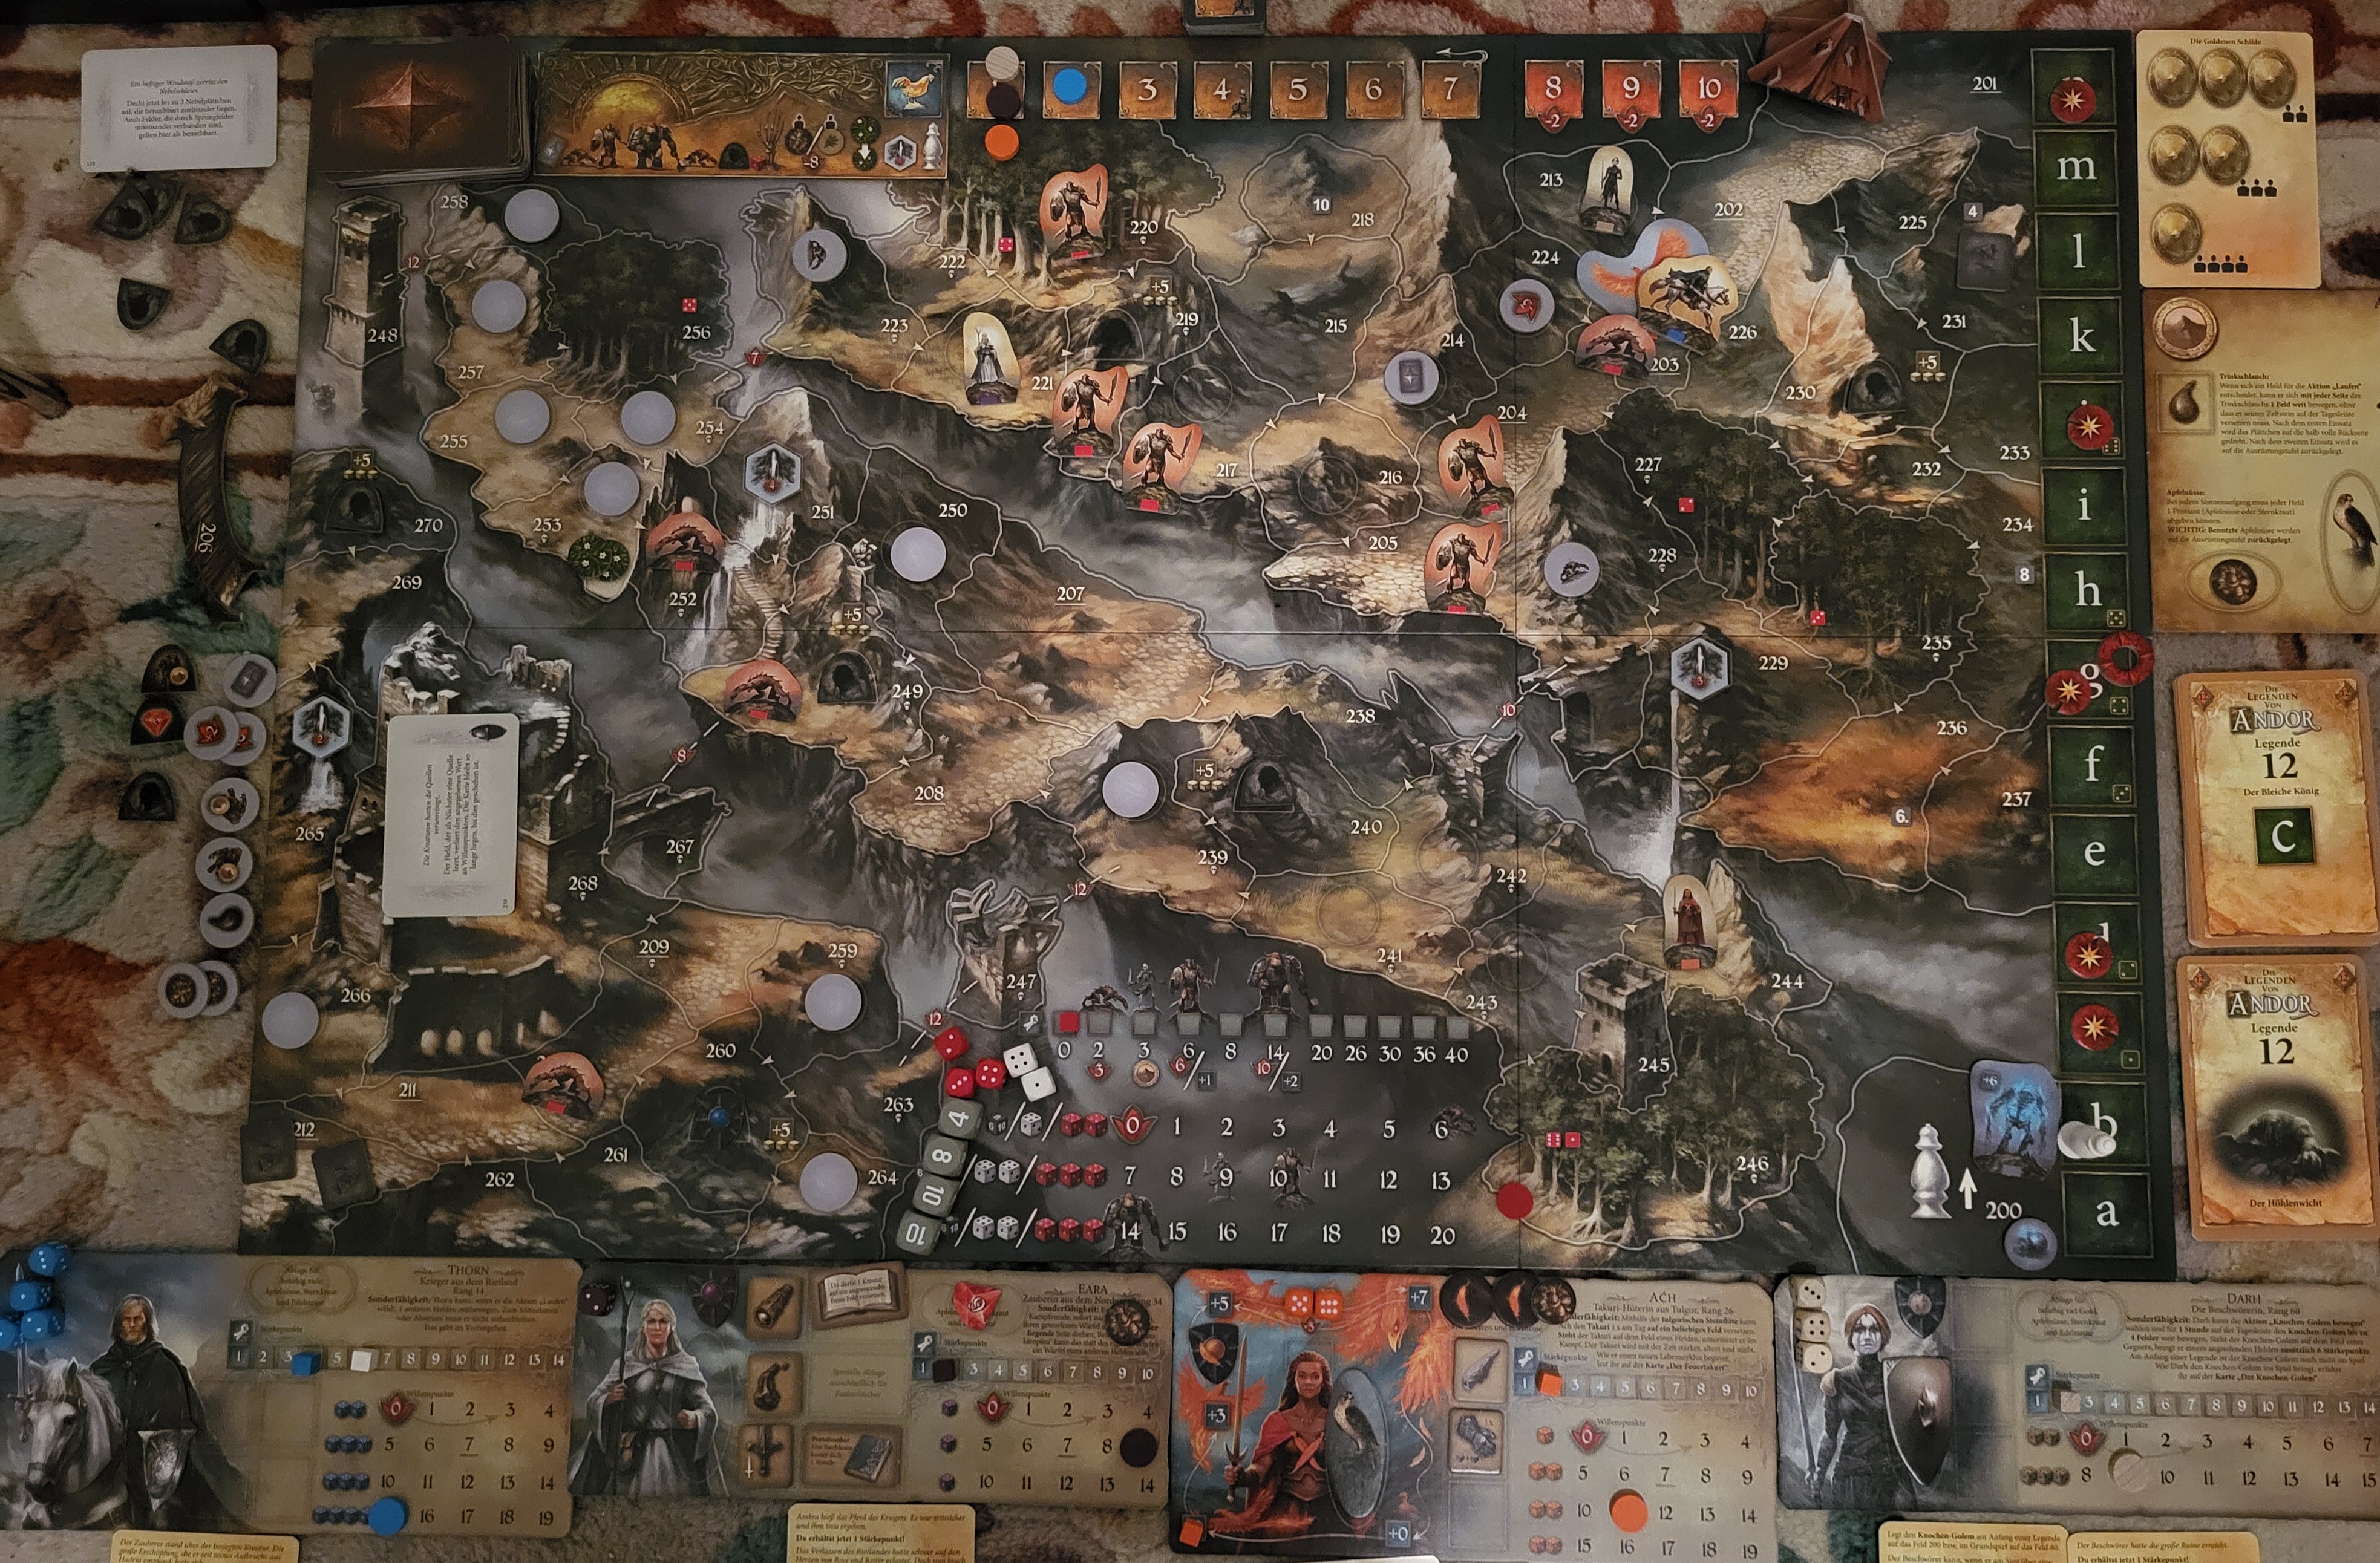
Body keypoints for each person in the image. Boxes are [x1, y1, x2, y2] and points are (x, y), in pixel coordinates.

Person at [92, 1295, 232, 1529]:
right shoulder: (101, 1369)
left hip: (152, 1462)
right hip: (109, 1460)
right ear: (118, 1325)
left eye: (138, 1319)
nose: (132, 1325)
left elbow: (177, 1423)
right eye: (127, 1320)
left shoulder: (166, 1366)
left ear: (148, 1323)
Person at [571, 1299, 716, 1496]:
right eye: (652, 1321)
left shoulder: (685, 1365)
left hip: (672, 1451)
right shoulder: (627, 1364)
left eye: (663, 1322)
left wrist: (695, 1417)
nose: (657, 1327)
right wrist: (609, 1398)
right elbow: (595, 1399)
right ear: (644, 1327)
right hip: (633, 1451)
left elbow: (708, 1409)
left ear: (671, 1328)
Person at [1206, 1351, 1348, 1541]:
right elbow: (1261, 1468)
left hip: (1327, 1509)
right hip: (1285, 1510)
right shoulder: (1277, 1422)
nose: (1308, 1382)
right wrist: (1241, 1476)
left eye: (1315, 1377)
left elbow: (1349, 1468)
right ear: (1294, 1381)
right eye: (1302, 1376)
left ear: (1323, 1382)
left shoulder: (1336, 1422)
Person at [1813, 1305, 1899, 1510]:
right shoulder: (1837, 1381)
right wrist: (1819, 1471)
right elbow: (1830, 1434)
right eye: (1860, 1330)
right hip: (1850, 1476)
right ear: (1851, 1336)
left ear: (1883, 1336)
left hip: (1889, 1475)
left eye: (1874, 1330)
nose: (1867, 1336)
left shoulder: (1896, 1378)